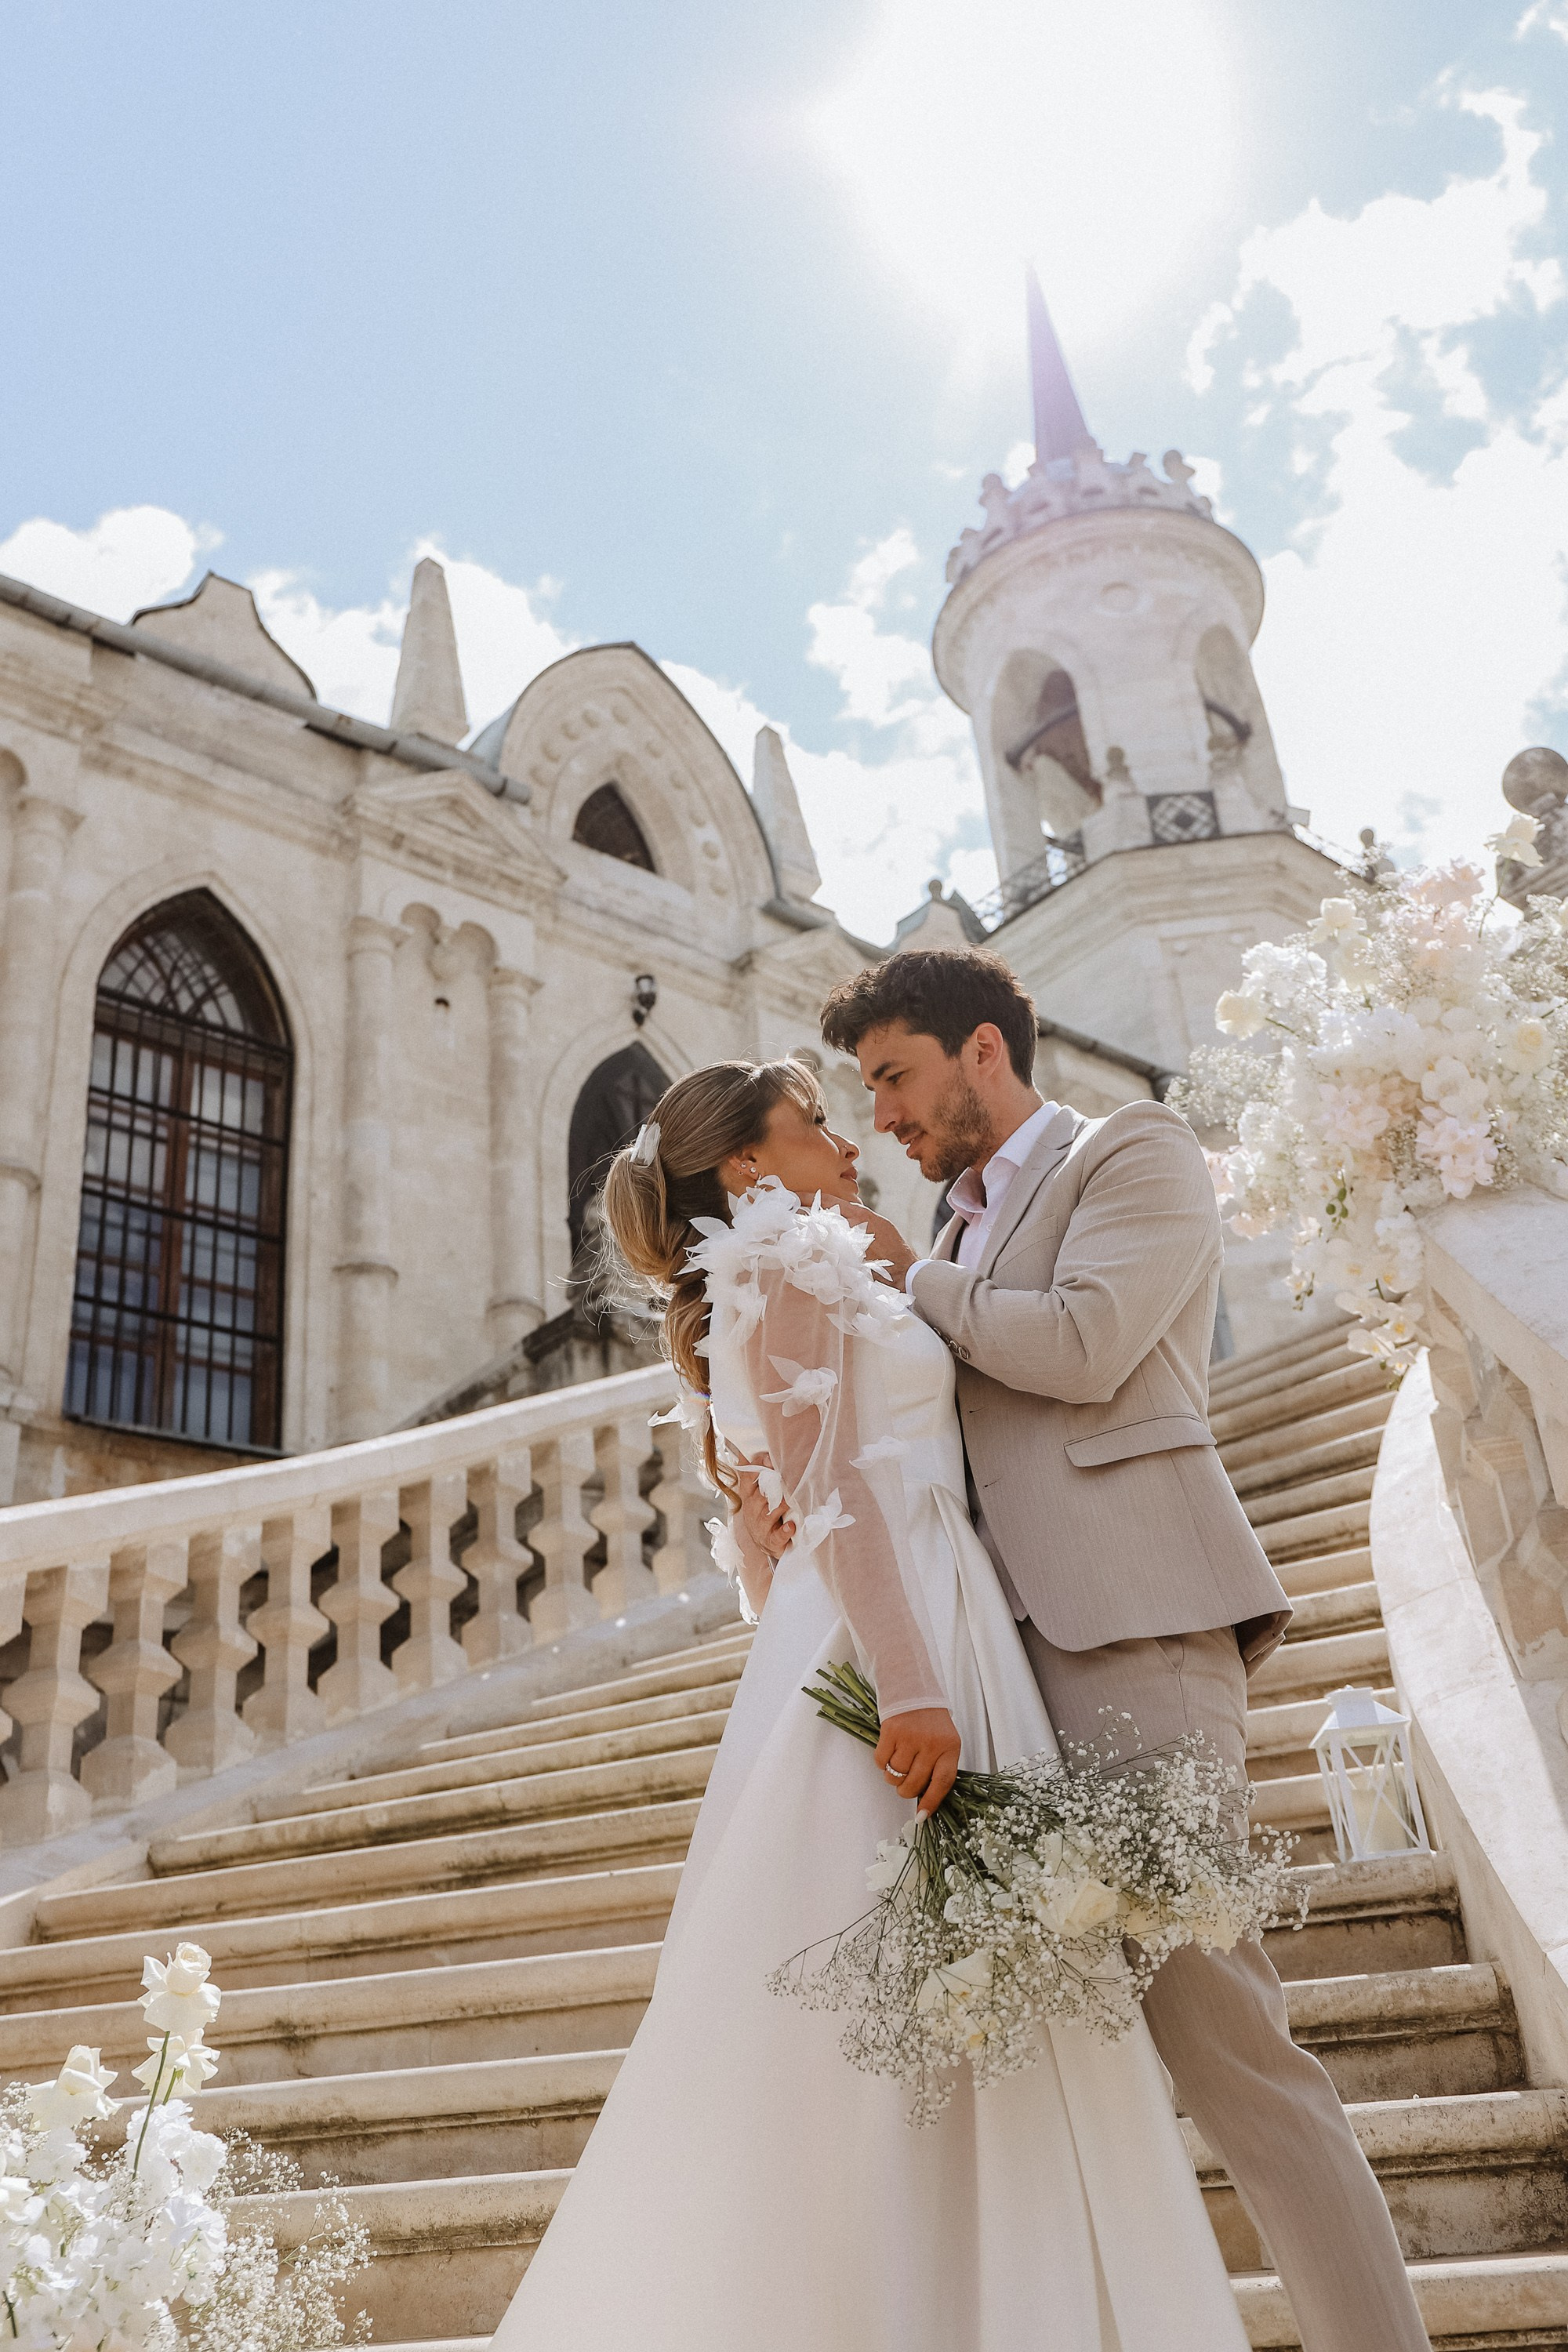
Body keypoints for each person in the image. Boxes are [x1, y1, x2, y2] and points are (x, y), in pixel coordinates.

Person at [491, 1055, 1250, 2352]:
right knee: (913, 1994)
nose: (846, 1138)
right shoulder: (785, 1262)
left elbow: (782, 1527)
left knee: (955, 1986)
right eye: (815, 1121)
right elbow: (833, 1488)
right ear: (745, 1165)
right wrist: (907, 1681)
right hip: (902, 1628)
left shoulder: (788, 1267)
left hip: (922, 1600)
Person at [738, 943, 1425, 2352]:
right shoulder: (950, 1229)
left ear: (984, 1050)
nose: (883, 1117)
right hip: (1001, 1671)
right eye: (865, 1092)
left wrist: (903, 1279)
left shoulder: (1136, 1152)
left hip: (1133, 1633)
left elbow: (1089, 1345)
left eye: (896, 1079)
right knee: (1048, 2084)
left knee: (1228, 2047)